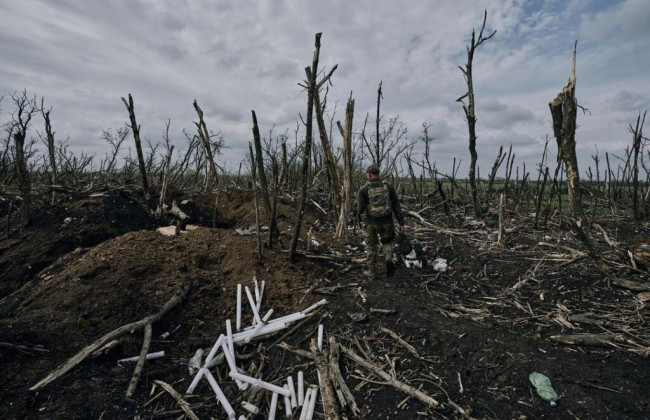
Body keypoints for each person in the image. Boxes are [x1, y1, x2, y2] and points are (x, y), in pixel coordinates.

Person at [357, 163, 405, 279]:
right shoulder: (389, 187)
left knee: (372, 246)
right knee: (387, 242)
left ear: (369, 174)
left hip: (372, 223)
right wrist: (401, 223)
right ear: (378, 174)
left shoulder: (364, 190)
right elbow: (396, 206)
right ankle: (388, 258)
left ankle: (372, 272)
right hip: (387, 222)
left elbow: (360, 209)